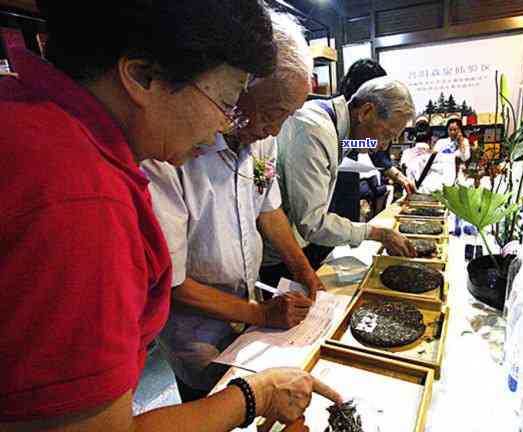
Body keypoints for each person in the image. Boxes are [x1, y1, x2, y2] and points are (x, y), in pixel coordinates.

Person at [0, 2, 341, 431]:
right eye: (227, 101)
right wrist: (259, 395)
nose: (223, 128)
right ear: (144, 77)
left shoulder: (37, 122)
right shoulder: (83, 201)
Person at [142, 10, 324, 401]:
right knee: (209, 404)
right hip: (197, 336)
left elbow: (268, 208)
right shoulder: (170, 149)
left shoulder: (260, 137)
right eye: (272, 113)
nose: (275, 129)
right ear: (238, 86)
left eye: (287, 117)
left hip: (250, 314)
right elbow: (169, 283)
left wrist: (304, 269)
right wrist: (260, 314)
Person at [260, 77, 417, 287]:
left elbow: (354, 145)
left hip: (297, 240)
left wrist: (393, 172)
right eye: (387, 135)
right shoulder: (315, 130)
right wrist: (378, 233)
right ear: (366, 112)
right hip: (278, 253)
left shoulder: (338, 125)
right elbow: (312, 223)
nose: (383, 146)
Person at [338, 59, 415, 194]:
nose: (383, 146)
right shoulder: (330, 124)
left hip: (349, 178)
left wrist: (398, 176)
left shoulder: (363, 126)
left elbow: (373, 145)